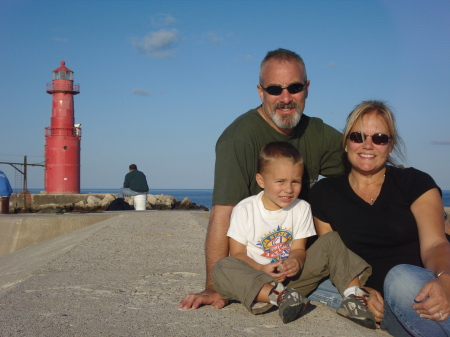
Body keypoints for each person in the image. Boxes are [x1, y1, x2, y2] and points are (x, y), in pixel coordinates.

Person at [179, 48, 344, 310]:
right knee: (227, 269)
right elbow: (222, 213)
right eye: (275, 89)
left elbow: (362, 160)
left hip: (300, 264)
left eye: (295, 87)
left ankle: (358, 292)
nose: (286, 98)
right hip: (257, 268)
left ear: (307, 88)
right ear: (261, 92)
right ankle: (276, 295)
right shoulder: (239, 139)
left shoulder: (317, 132)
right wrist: (213, 286)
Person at [309, 100, 450, 336]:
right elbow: (333, 257)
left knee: (400, 278)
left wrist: (445, 280)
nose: (368, 145)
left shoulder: (415, 183)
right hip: (377, 304)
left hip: (416, 287)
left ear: (390, 146)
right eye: (358, 136)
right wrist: (358, 290)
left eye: (380, 138)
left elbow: (435, 244)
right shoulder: (324, 194)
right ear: (346, 143)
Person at [212, 142, 375, 327]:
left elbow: (299, 249)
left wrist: (296, 261)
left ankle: (354, 298)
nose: (288, 189)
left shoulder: (301, 208)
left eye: (295, 181)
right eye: (280, 181)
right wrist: (260, 268)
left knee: (331, 240)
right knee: (222, 266)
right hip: (258, 279)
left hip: (294, 281)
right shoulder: (245, 209)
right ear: (261, 180)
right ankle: (278, 296)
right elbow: (238, 254)